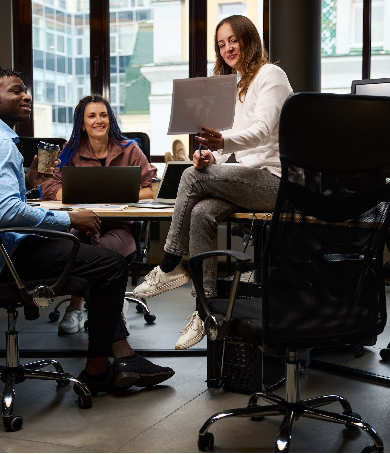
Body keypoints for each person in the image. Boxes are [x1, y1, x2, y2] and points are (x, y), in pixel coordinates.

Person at [0, 67, 174, 396]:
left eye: (26, 90)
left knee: (99, 262)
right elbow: (5, 211)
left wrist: (28, 181)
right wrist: (70, 220)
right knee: (109, 265)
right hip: (5, 257)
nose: (26, 95)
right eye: (16, 91)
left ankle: (121, 357)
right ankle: (101, 367)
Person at [133, 15, 293, 350]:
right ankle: (205, 311)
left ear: (249, 39)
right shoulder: (235, 85)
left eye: (233, 40)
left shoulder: (270, 75)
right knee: (202, 211)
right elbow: (231, 141)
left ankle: (169, 264)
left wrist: (220, 146)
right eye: (221, 44)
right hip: (251, 179)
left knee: (191, 176)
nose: (228, 48)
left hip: (277, 181)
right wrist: (211, 157)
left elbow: (262, 132)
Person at [42, 94, 157, 335]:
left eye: (103, 115)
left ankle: (106, 307)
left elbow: (152, 187)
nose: (98, 120)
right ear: (82, 123)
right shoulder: (70, 151)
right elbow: (49, 187)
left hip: (120, 227)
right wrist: (77, 194)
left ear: (111, 119)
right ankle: (80, 308)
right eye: (92, 116)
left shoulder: (130, 149)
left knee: (98, 251)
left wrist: (120, 194)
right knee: (81, 241)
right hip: (83, 224)